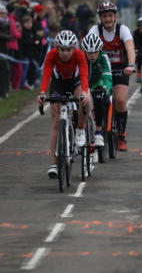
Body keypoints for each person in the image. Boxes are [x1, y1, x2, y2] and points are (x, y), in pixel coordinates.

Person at [37, 30, 91, 178]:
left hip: (75, 82)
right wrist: (42, 93)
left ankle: (80, 129)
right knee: (55, 123)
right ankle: (54, 164)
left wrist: (84, 92)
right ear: (57, 48)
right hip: (58, 83)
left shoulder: (79, 54)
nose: (65, 53)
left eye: (68, 50)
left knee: (86, 100)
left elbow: (84, 74)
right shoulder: (52, 55)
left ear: (74, 48)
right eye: (62, 50)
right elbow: (47, 74)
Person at [88, 1, 135, 151]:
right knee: (94, 100)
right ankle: (94, 133)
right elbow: (86, 48)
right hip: (100, 69)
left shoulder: (123, 30)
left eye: (110, 16)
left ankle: (121, 136)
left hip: (121, 68)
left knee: (120, 100)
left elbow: (130, 48)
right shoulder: (95, 30)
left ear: (115, 16)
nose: (107, 19)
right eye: (104, 16)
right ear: (100, 18)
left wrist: (131, 65)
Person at [81, 33, 112, 147]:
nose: (92, 56)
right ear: (84, 51)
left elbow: (107, 75)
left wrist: (106, 89)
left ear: (100, 50)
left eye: (95, 52)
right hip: (84, 83)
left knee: (100, 98)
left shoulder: (103, 57)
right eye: (89, 53)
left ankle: (98, 132)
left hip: (98, 82)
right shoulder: (80, 57)